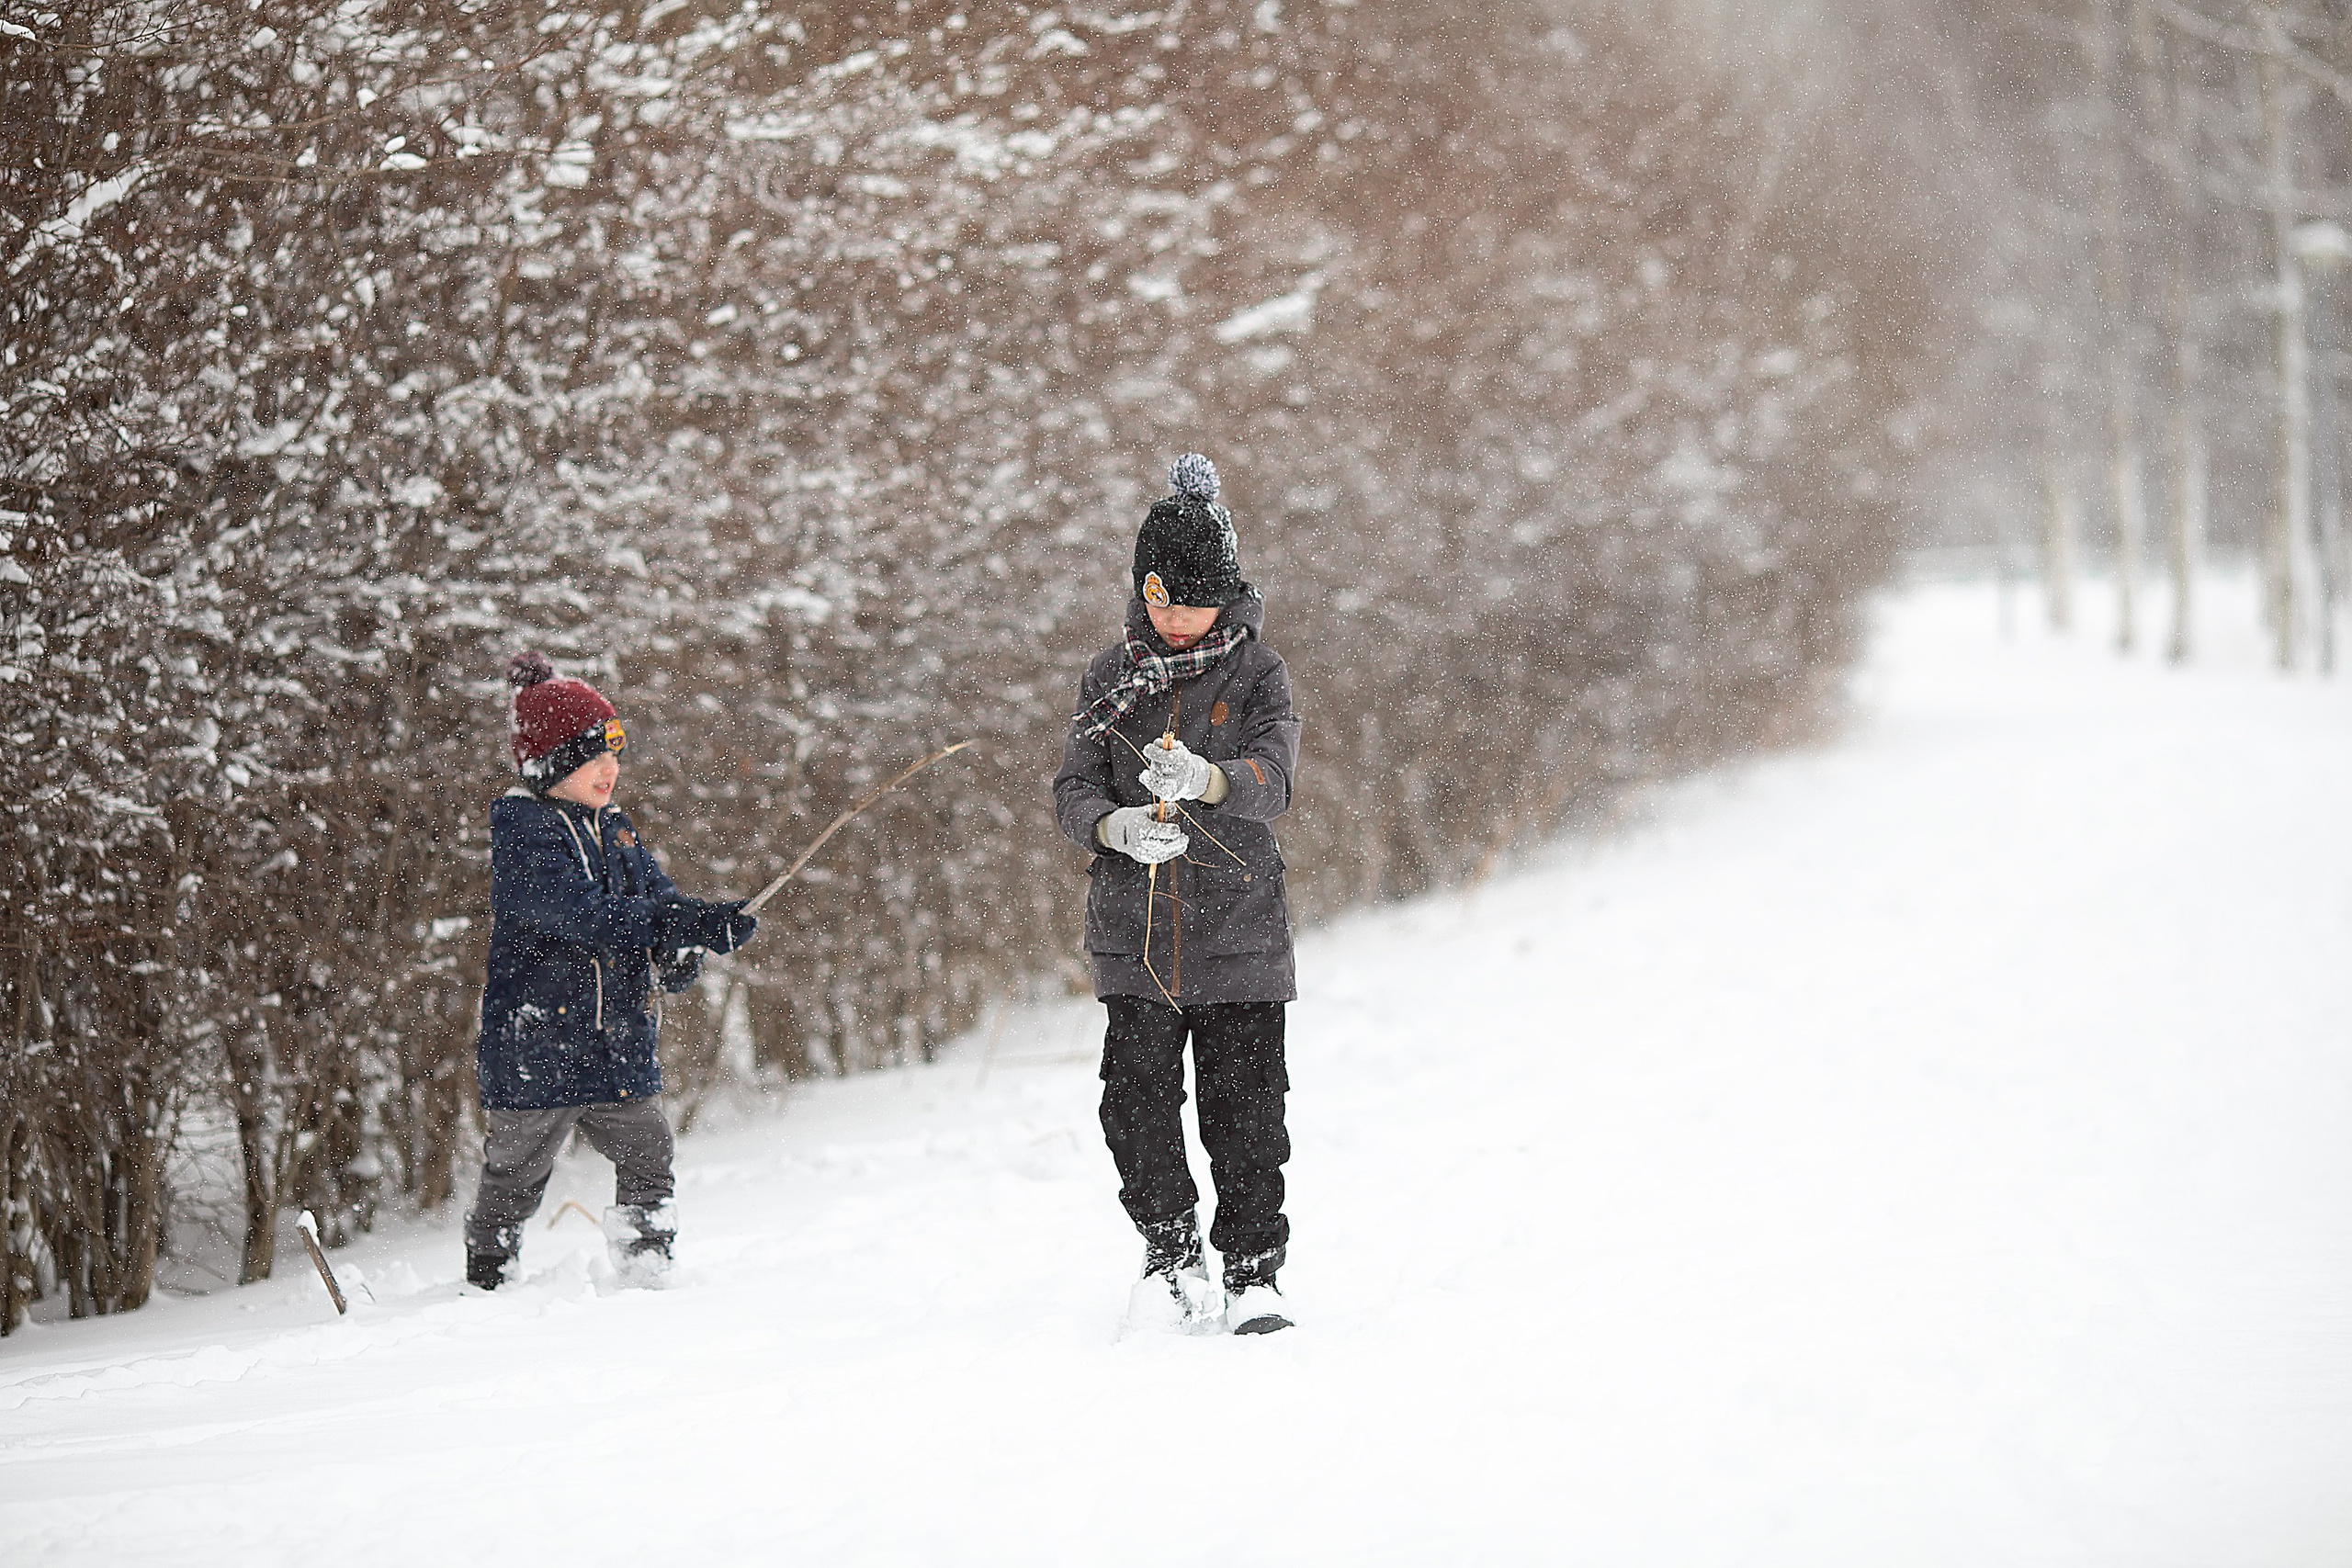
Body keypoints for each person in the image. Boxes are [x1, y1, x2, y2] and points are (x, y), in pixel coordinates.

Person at [1052, 454, 1303, 1336]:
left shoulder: (1258, 673)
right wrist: (1112, 826)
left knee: (1246, 1111)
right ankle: (1170, 1255)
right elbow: (1072, 789)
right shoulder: (1107, 676)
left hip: (1239, 932)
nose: (1173, 618)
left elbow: (1276, 778)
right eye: (1158, 600)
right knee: (1135, 1102)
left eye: (1190, 602)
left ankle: (1253, 1271)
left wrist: (1211, 779)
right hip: (1137, 935)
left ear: (1224, 594)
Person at [464, 652, 758, 1291]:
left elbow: (656, 903)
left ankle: (647, 1265)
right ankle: (489, 1274)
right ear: (549, 764)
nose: (610, 769)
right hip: (539, 1046)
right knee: (516, 1173)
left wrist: (691, 938)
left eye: (614, 754)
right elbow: (586, 916)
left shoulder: (615, 830)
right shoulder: (523, 834)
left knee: (649, 1151)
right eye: (591, 756)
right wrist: (673, 924)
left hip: (614, 1044)